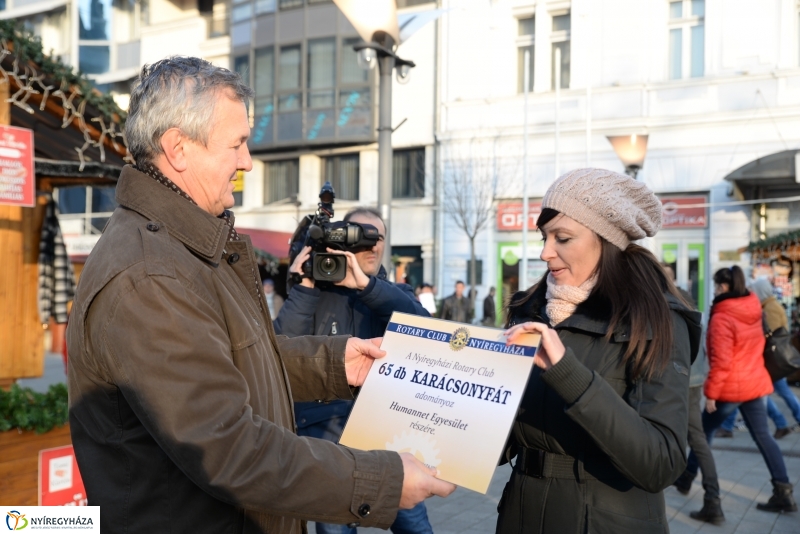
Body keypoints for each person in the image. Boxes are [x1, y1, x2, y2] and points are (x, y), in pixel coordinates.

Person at [66, 57, 454, 534]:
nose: (247, 161)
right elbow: (231, 449)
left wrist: (336, 364)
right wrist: (382, 481)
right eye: (237, 144)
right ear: (179, 149)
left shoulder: (183, 248)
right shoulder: (152, 275)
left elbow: (233, 360)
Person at [499, 168, 702, 533]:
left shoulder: (656, 320)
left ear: (606, 240)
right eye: (544, 237)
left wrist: (569, 375)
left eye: (562, 238)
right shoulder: (528, 310)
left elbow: (662, 462)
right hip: (521, 515)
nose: (546, 253)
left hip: (606, 521)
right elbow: (502, 435)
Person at [274, 206, 434, 534]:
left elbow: (426, 330)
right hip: (327, 438)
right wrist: (303, 286)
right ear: (342, 241)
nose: (373, 246)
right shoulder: (315, 294)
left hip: (387, 435)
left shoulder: (395, 295)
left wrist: (366, 286)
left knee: (415, 526)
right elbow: (279, 348)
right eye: (364, 237)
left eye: (380, 238)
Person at [700, 266, 796, 514]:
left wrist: (711, 393)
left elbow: (721, 362)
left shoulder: (723, 316)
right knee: (763, 437)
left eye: (715, 285)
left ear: (723, 287)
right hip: (754, 381)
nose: (714, 289)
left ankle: (695, 488)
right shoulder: (753, 306)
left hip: (732, 387)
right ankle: (783, 491)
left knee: (701, 435)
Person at [665, 267, 723, 524]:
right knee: (693, 435)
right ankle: (686, 480)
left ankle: (713, 500)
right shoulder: (687, 301)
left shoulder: (670, 304)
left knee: (695, 438)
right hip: (693, 379)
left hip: (683, 381)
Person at [750, 278, 800, 438]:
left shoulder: (769, 308)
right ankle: (784, 422)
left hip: (773, 359)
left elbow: (768, 335)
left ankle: (781, 422)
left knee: (764, 392)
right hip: (775, 358)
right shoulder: (771, 305)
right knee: (781, 391)